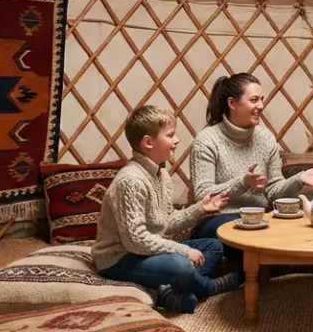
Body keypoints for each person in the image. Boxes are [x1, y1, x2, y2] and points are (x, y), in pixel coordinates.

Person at [94, 105, 244, 313]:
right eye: (170, 135)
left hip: (147, 252)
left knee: (213, 246)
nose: (177, 141)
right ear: (148, 142)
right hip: (120, 258)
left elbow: (167, 222)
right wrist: (183, 251)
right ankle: (207, 287)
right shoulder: (131, 181)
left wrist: (200, 209)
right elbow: (135, 241)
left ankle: (169, 292)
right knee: (180, 265)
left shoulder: (161, 174)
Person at [189, 73, 313, 253]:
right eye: (254, 100)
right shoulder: (207, 140)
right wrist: (242, 183)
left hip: (259, 221)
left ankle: (248, 272)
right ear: (232, 103)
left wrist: (299, 179)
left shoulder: (265, 139)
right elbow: (203, 195)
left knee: (309, 246)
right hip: (218, 222)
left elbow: (274, 192)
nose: (261, 106)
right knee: (243, 231)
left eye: (262, 99)